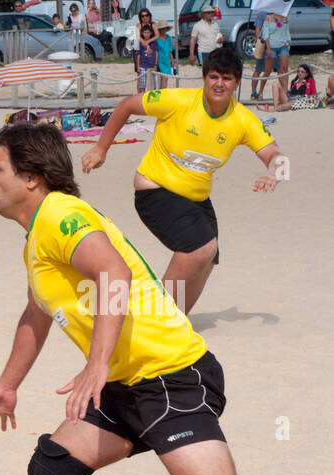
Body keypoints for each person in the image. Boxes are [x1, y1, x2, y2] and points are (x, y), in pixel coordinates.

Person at [0, 122, 316, 475]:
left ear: (31, 179)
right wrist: (7, 385)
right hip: (127, 386)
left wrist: (96, 363)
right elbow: (36, 314)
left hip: (172, 376)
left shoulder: (63, 216)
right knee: (53, 472)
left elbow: (115, 273)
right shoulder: (38, 235)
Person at [83, 48, 286, 314]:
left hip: (196, 199)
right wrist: (101, 148)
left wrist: (274, 173)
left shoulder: (243, 120)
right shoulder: (178, 100)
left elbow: (276, 155)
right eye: (214, 76)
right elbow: (127, 105)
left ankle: (176, 320)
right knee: (200, 248)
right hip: (155, 191)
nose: (219, 83)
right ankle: (158, 319)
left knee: (209, 257)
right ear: (204, 78)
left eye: (227, 78)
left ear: (237, 83)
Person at [261, 12, 291, 102]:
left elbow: (286, 31)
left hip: (282, 46)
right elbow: (265, 34)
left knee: (284, 69)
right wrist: (268, 48)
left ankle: (285, 92)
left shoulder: (284, 17)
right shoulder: (268, 18)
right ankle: (260, 92)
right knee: (268, 71)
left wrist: (288, 40)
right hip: (272, 46)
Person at [135, 23, 158, 92]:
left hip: (151, 66)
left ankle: (152, 100)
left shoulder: (154, 42)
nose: (146, 34)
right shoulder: (140, 43)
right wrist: (138, 66)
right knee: (142, 85)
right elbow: (138, 55)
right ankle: (142, 98)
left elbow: (157, 53)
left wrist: (155, 65)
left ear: (151, 33)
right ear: (142, 33)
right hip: (143, 66)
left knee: (152, 84)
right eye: (144, 32)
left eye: (148, 32)